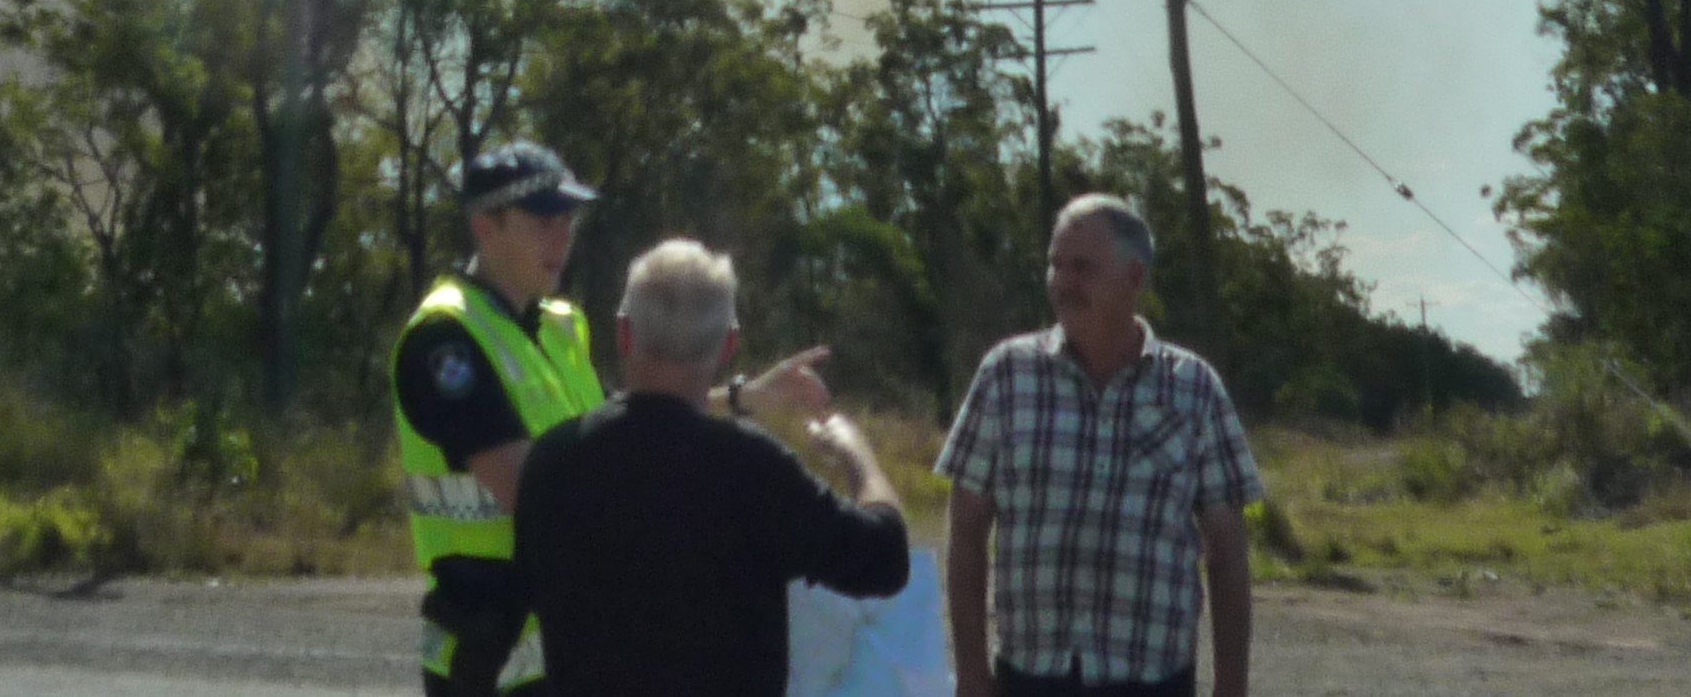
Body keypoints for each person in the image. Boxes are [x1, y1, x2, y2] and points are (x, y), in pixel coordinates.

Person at [392, 144, 832, 695]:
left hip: (567, 651)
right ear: (484, 224)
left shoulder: (560, 325)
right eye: (542, 221)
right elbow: (533, 490)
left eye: (568, 220)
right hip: (489, 659)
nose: (562, 238)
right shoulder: (445, 338)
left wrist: (746, 396)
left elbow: (625, 426)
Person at [513, 238, 912, 697]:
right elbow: (885, 558)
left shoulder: (553, 461)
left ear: (623, 334)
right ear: (729, 345)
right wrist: (856, 454)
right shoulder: (753, 468)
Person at [936, 196, 1262, 697]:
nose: (1063, 283)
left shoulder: (1194, 389)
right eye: (1056, 265)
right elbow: (966, 528)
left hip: (1151, 681)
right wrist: (972, 675)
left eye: (1083, 268)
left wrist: (1231, 688)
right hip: (1030, 679)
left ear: (1134, 278)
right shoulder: (1006, 375)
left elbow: (1228, 549)